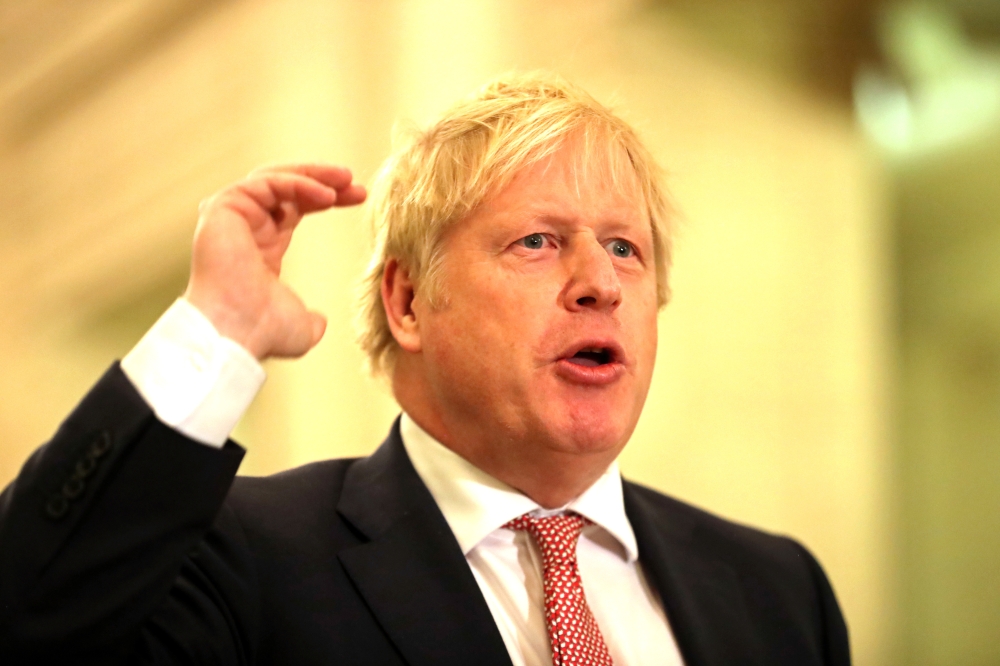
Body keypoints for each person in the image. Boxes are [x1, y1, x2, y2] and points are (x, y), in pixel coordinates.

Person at [0, 73, 850, 665]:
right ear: (408, 302)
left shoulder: (778, 594)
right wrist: (215, 328)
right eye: (539, 241)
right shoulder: (244, 558)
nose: (601, 282)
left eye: (626, 248)